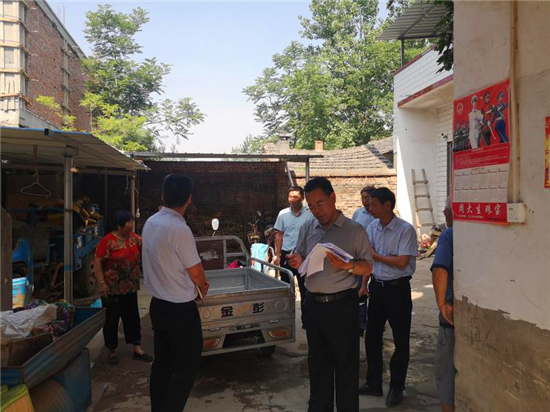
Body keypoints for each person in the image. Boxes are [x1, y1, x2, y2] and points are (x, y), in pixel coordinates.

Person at [286, 177, 373, 412]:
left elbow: (367, 267)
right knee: (317, 365)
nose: (316, 211)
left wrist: (348, 266)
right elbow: (300, 256)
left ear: (333, 198)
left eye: (320, 204)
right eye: (311, 206)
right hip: (314, 305)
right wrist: (297, 260)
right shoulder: (307, 228)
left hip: (342, 306)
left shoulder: (354, 230)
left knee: (346, 366)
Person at [142, 173, 210, 412]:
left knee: (162, 365)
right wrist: (202, 285)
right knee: (186, 368)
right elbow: (196, 272)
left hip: (158, 306)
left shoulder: (151, 223)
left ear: (162, 195)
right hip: (180, 311)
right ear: (189, 199)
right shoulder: (179, 229)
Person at [360, 187, 418, 408]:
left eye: (374, 204)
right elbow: (368, 260)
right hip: (377, 288)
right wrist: (364, 285)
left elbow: (402, 262)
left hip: (398, 290)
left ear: (387, 205)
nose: (370, 207)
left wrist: (376, 255)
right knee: (372, 337)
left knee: (400, 341)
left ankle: (396, 387)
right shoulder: (372, 227)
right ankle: (373, 383)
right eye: (369, 204)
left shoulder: (405, 230)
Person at [94, 210, 153, 366]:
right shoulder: (108, 241)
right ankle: (112, 350)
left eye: (132, 221)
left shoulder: (134, 238)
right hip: (112, 289)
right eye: (129, 222)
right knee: (111, 320)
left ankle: (137, 348)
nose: (132, 224)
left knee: (133, 317)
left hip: (130, 287)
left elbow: (149, 245)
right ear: (119, 225)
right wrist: (101, 283)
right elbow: (97, 262)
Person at [273, 185, 312, 328]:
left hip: (303, 256)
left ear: (302, 198)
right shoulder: (283, 214)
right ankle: (286, 320)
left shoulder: (309, 214)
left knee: (305, 289)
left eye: (295, 197)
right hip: (286, 255)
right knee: (287, 290)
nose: (292, 200)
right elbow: (279, 235)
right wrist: (278, 255)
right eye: (290, 197)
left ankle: (306, 321)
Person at [431, 197, 456, 412]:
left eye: (446, 210)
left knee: (446, 369)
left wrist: (442, 303)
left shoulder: (450, 235)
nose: (444, 214)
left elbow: (439, 269)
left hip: (452, 315)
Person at [352, 185, 377, 337]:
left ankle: (375, 321)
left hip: (376, 258)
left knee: (374, 291)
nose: (365, 201)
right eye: (363, 198)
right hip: (360, 257)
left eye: (367, 198)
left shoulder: (378, 215)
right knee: (360, 289)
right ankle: (360, 324)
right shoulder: (357, 213)